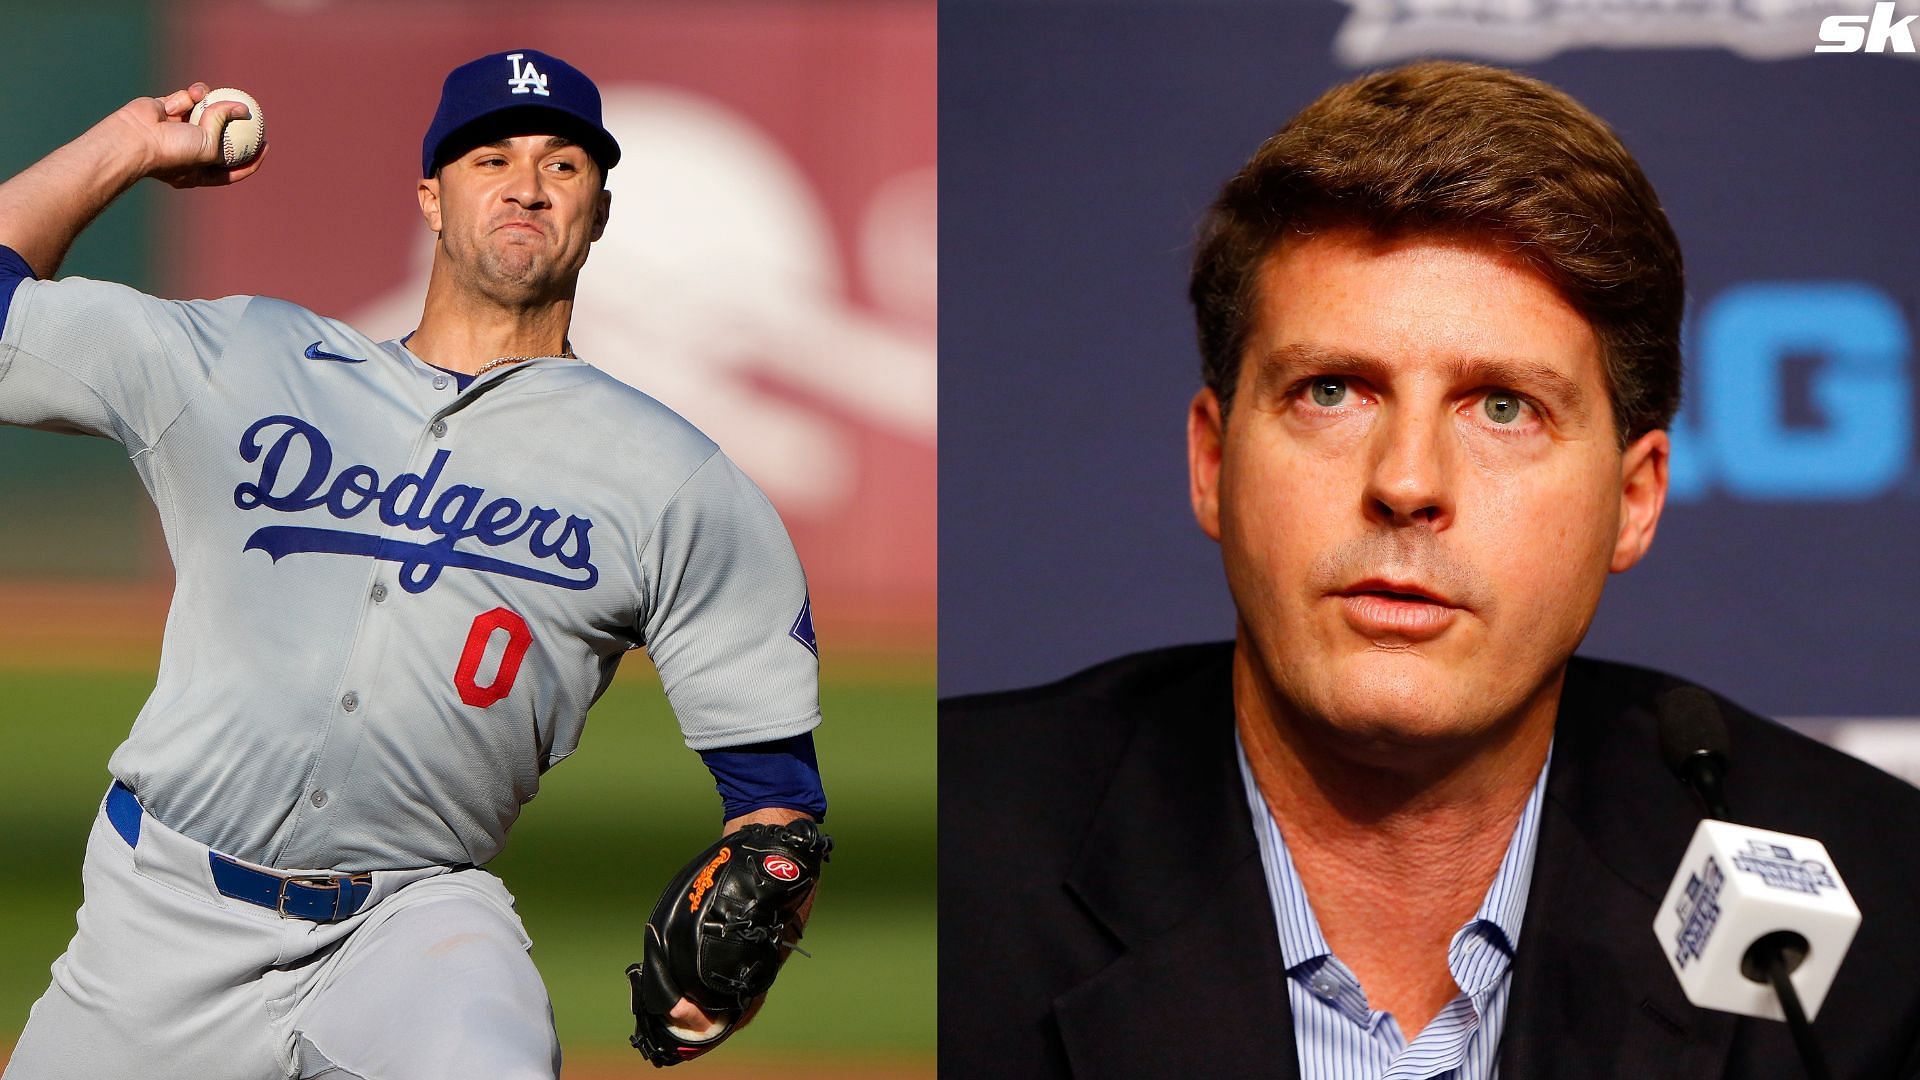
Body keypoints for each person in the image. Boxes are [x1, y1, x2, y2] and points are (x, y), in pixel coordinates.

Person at [939, 60, 1920, 1078]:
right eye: (1332, 391)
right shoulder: (955, 867)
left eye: (1503, 406)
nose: (1407, 482)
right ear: (1214, 461)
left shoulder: (1881, 926)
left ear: (1634, 502)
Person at [0, 50, 826, 1079]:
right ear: (431, 198)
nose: (527, 183)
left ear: (600, 211)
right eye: (491, 157)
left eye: (563, 164)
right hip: (159, 916)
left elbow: (776, 799)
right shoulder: (245, 360)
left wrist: (763, 901)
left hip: (410, 926)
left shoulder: (678, 482)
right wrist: (123, 146)